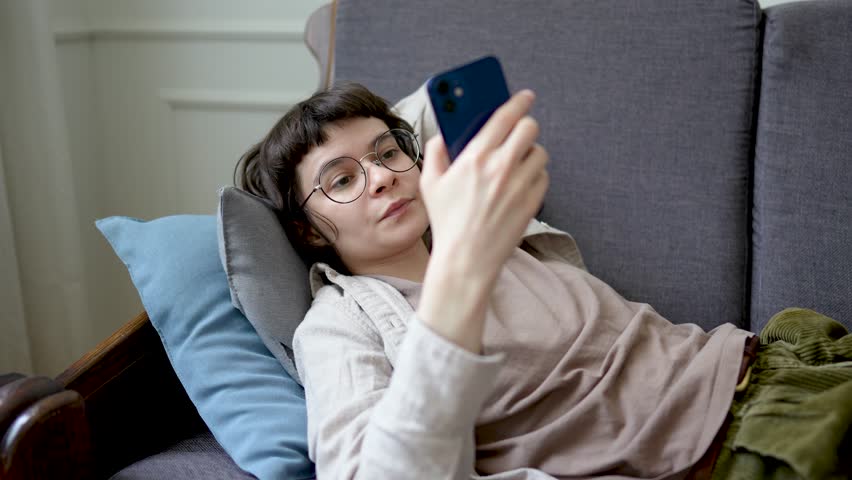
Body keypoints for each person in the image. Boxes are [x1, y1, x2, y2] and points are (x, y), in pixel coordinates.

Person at [235, 82, 852, 480]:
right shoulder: (341, 323)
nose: (379, 178)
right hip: (728, 449)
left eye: (388, 152)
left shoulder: (492, 225)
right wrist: (459, 278)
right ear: (308, 230)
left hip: (777, 363)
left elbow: (442, 101)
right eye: (341, 179)